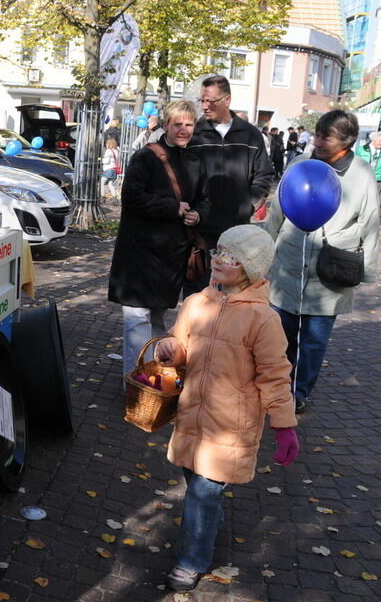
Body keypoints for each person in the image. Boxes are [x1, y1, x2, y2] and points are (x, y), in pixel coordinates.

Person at [155, 224, 299, 592]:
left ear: (250, 268)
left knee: (203, 493)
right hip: (192, 415)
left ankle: (190, 562)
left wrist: (284, 425)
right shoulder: (196, 303)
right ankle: (204, 529)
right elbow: (180, 344)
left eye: (231, 257)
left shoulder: (262, 319)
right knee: (195, 484)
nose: (219, 260)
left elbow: (275, 376)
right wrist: (171, 349)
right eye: (219, 250)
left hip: (230, 426)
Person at [266, 110, 380, 413]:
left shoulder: (362, 174)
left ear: (347, 140)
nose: (316, 141)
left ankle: (299, 392)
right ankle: (277, 388)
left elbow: (370, 222)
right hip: (288, 267)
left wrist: (366, 270)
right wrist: (263, 252)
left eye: (324, 137)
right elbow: (277, 211)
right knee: (279, 336)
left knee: (314, 342)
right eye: (316, 134)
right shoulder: (299, 164)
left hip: (329, 272)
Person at [108, 99, 209, 381]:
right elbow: (131, 197)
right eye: (178, 124)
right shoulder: (145, 157)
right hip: (139, 256)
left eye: (189, 124)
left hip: (171, 257)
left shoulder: (195, 162)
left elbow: (204, 199)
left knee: (157, 320)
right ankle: (136, 386)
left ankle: (151, 381)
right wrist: (172, 208)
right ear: (166, 124)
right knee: (136, 322)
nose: (184, 130)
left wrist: (198, 215)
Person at [187, 75, 273, 294]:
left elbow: (264, 174)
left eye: (211, 101)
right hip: (199, 231)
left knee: (232, 295)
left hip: (236, 230)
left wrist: (249, 204)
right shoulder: (194, 134)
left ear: (227, 100)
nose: (205, 107)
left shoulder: (250, 134)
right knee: (197, 297)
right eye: (202, 101)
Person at [354, 130, 381, 208]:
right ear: (373, 141)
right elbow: (356, 162)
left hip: (379, 179)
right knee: (362, 199)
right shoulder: (361, 149)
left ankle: (376, 218)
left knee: (377, 201)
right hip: (364, 178)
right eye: (379, 141)